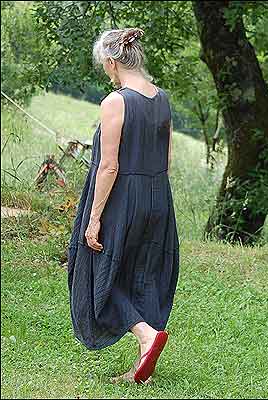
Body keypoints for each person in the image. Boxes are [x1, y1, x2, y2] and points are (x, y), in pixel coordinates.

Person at [66, 27, 179, 384]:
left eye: (105, 66)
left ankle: (146, 335)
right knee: (142, 273)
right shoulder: (161, 98)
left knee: (95, 266)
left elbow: (109, 165)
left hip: (123, 199)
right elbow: (168, 156)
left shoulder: (116, 101)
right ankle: (143, 361)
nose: (106, 72)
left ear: (113, 62)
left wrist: (94, 217)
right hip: (158, 196)